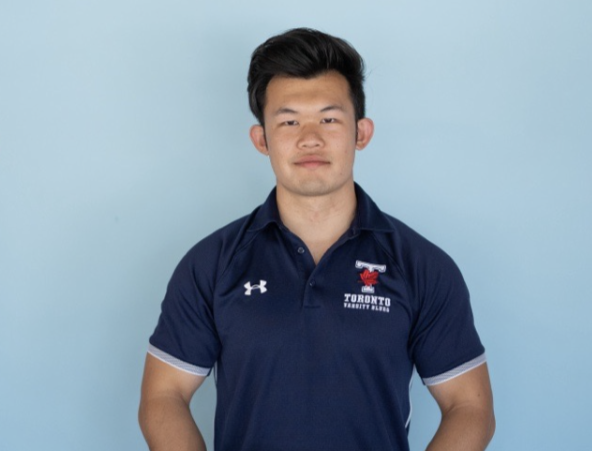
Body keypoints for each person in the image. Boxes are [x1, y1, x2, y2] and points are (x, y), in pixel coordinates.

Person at [139, 28, 495, 451]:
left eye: (329, 118)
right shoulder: (212, 262)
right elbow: (163, 397)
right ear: (262, 140)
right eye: (289, 121)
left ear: (361, 133)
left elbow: (469, 408)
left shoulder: (421, 265)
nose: (310, 137)